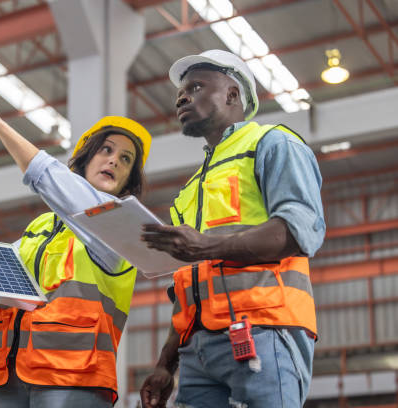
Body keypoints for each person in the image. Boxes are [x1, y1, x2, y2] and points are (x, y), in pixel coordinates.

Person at [0, 89, 152, 407]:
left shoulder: (118, 227)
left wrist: (0, 125)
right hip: (9, 375)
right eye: (106, 150)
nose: (114, 159)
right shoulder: (40, 227)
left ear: (128, 179)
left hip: (73, 379)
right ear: (86, 159)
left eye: (125, 159)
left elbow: (48, 177)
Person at [139, 50, 325, 408]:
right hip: (197, 351)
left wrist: (206, 247)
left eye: (195, 87)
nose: (181, 96)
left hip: (264, 330)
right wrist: (166, 364)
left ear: (232, 95)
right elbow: (187, 287)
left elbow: (299, 232)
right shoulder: (190, 191)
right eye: (180, 91)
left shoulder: (272, 144)